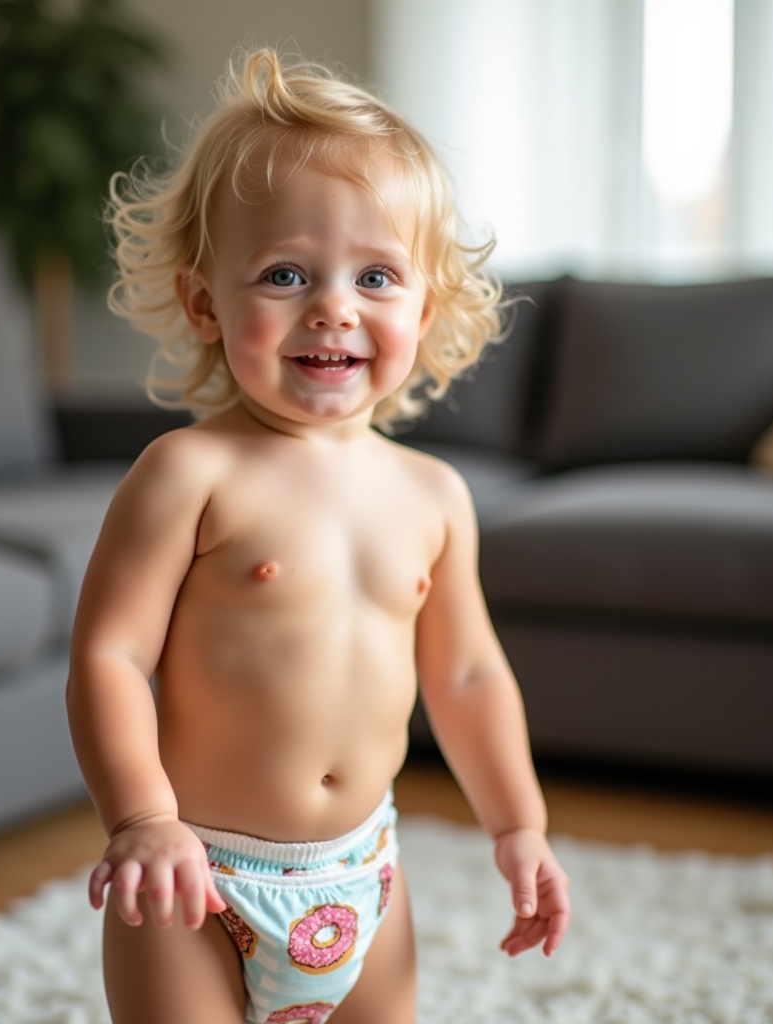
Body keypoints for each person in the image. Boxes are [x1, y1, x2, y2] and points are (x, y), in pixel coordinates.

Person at [66, 47, 570, 1024]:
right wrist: (141, 818)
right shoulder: (187, 474)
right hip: (196, 878)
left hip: (364, 874)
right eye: (285, 272)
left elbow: (465, 675)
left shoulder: (434, 494)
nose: (332, 304)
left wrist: (519, 822)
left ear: (424, 309)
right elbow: (111, 654)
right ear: (207, 302)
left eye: (376, 274)